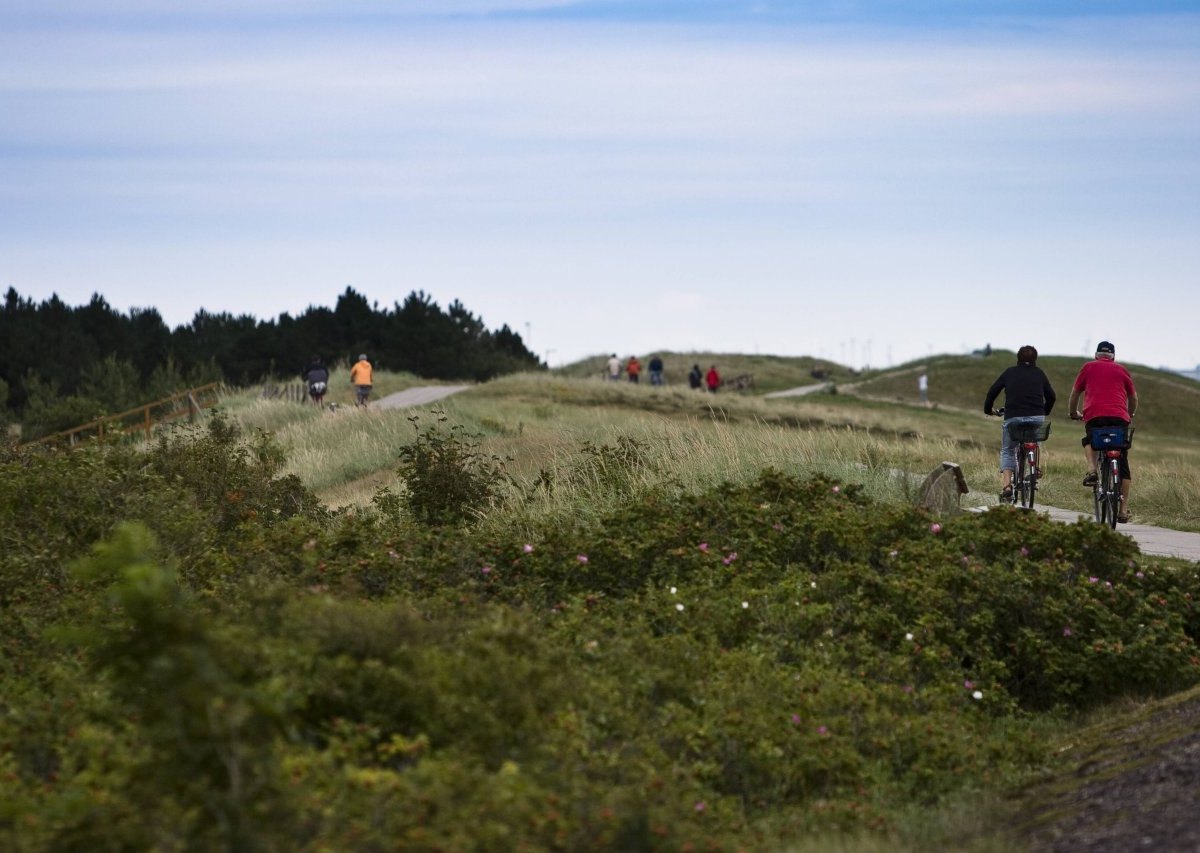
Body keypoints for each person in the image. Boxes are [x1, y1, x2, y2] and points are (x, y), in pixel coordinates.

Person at [1068, 341, 1138, 522]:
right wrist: (1129, 415)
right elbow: (1133, 397)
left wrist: (1072, 413)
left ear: (1096, 355)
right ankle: (1123, 510)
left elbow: (1075, 393)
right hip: (1119, 418)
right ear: (1113, 357)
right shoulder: (1122, 370)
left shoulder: (1088, 367)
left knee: (1089, 440)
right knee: (1122, 462)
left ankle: (1092, 470)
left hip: (1094, 416)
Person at [983, 345, 1056, 501]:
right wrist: (1044, 411)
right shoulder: (1039, 373)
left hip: (1013, 417)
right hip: (1036, 417)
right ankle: (1033, 468)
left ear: (1018, 358)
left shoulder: (1010, 372)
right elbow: (1052, 396)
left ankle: (1007, 486)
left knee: (1008, 450)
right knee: (1034, 441)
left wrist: (988, 409)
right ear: (1035, 359)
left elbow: (992, 391)